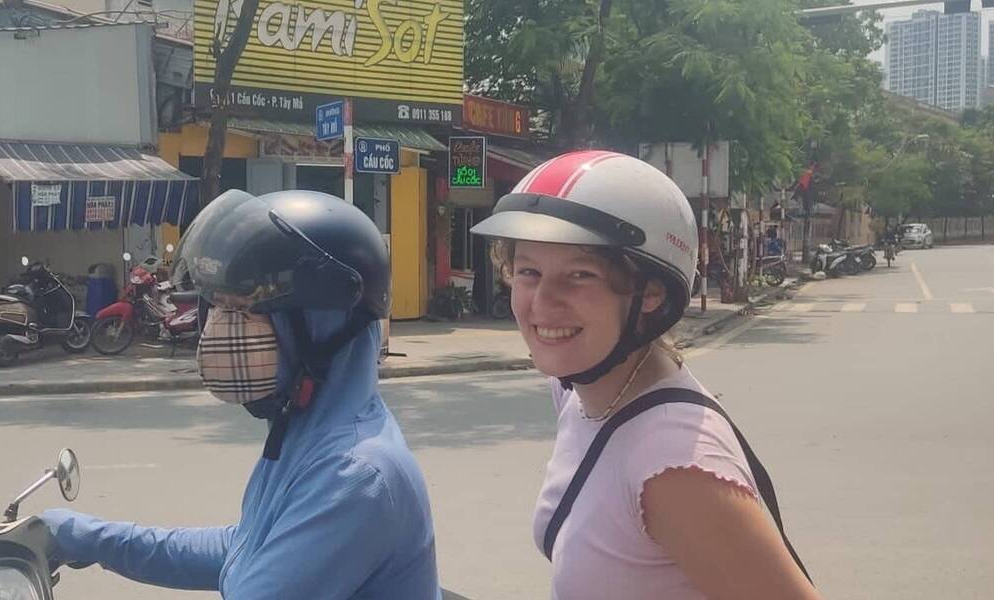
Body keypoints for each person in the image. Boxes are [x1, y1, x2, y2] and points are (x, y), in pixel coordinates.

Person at [41, 190, 439, 599]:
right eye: (220, 308)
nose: (222, 328)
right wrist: (89, 537)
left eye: (245, 311)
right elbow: (243, 551)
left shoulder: (355, 476)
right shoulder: (309, 433)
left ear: (322, 326)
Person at [470, 151, 818, 600]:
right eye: (528, 272)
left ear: (650, 292)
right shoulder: (580, 393)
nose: (542, 301)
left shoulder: (670, 461)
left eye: (580, 274)